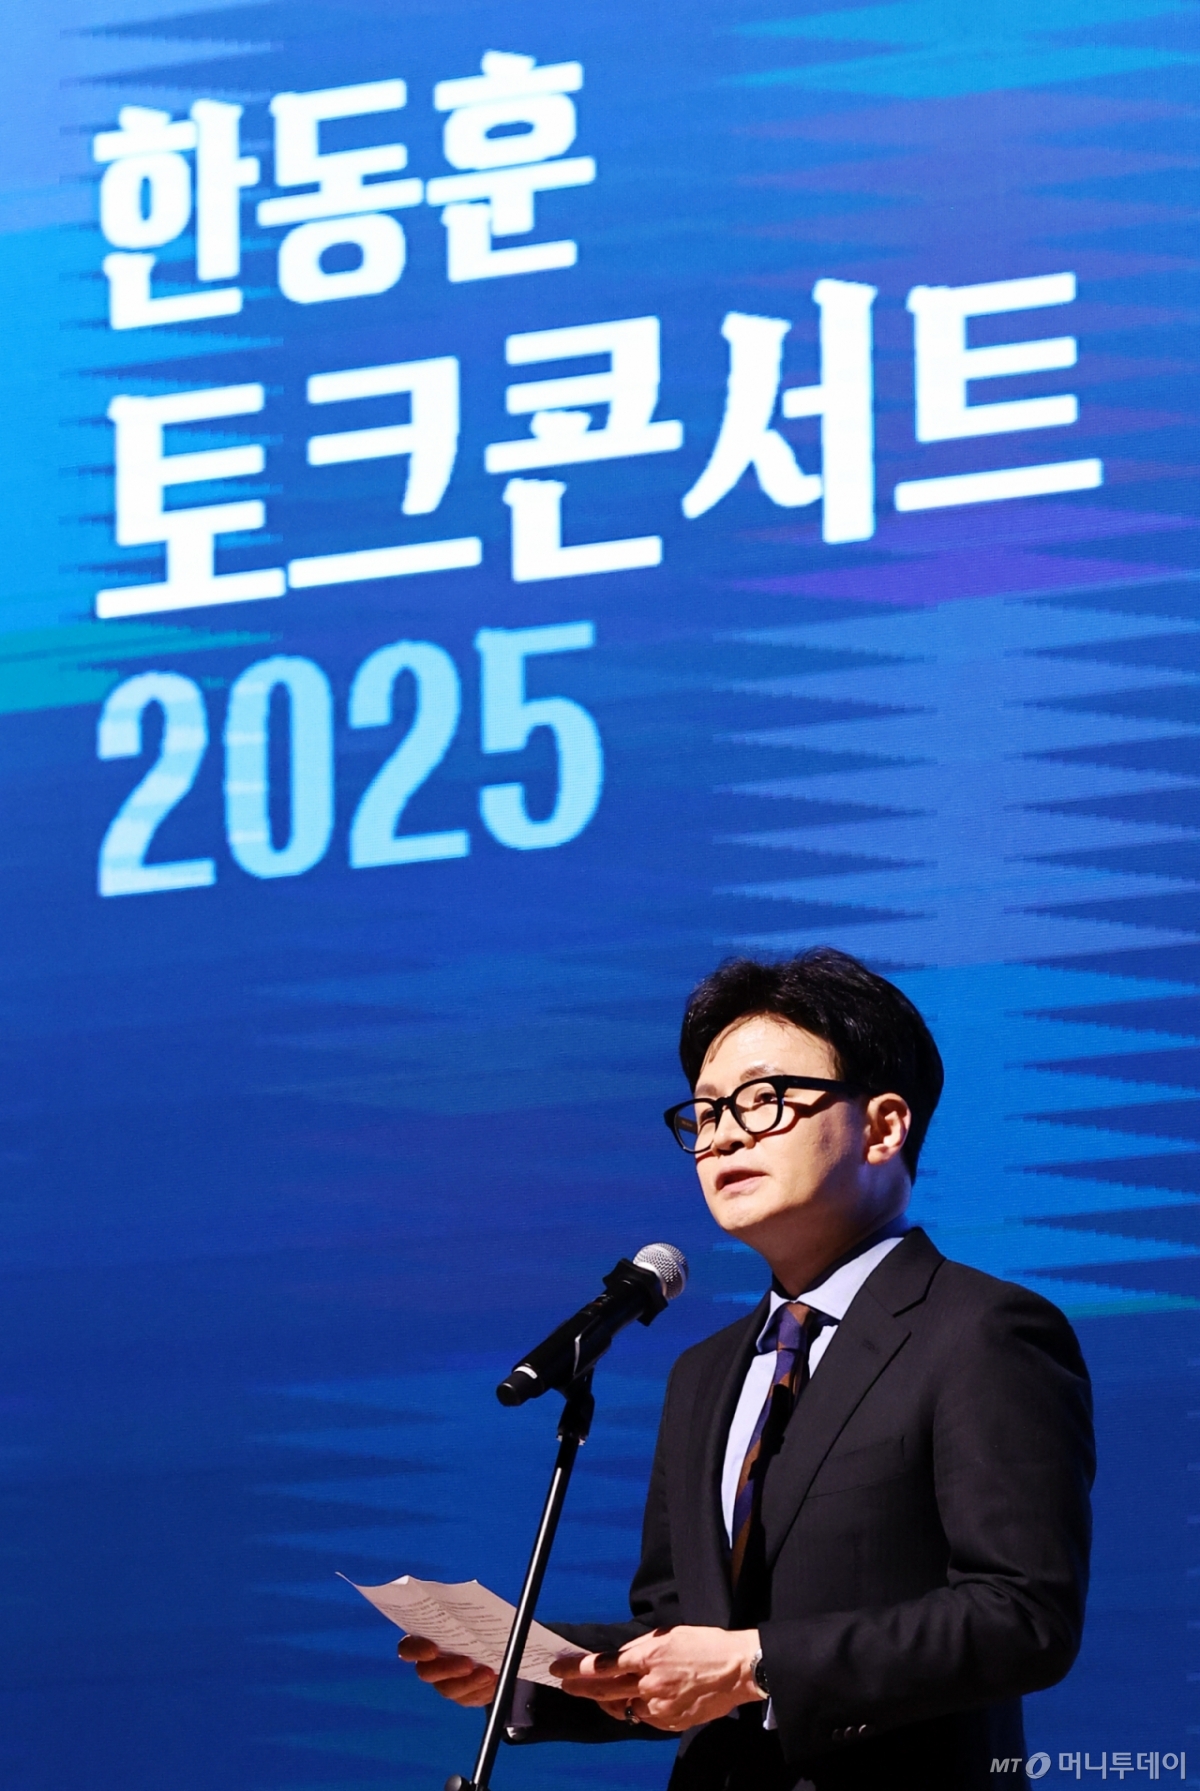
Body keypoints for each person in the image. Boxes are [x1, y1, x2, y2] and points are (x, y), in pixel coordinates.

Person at [400, 947, 1095, 1790]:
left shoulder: (981, 1330)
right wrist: (530, 1665)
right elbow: (683, 1636)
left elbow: (1022, 1617)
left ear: (882, 1126)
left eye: (764, 1099)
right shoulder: (705, 1374)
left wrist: (757, 1662)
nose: (723, 1133)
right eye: (704, 1111)